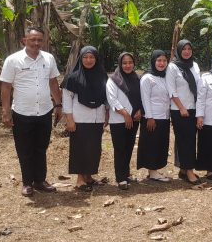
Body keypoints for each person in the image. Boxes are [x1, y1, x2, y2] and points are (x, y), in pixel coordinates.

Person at [0, 27, 62, 197]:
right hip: (22, 112)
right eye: (32, 39)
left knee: (41, 148)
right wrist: (6, 111)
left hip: (44, 111)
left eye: (39, 40)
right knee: (25, 149)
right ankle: (27, 183)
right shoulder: (13, 60)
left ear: (44, 41)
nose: (36, 43)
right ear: (24, 40)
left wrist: (58, 104)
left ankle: (40, 180)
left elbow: (53, 82)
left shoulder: (48, 59)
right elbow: (5, 87)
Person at [61, 46, 109, 192]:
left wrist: (106, 113)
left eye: (92, 57)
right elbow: (67, 99)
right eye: (85, 57)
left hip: (97, 118)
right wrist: (69, 119)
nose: (89, 60)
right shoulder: (73, 77)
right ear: (81, 59)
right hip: (79, 118)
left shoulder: (102, 76)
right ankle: (80, 180)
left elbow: (106, 96)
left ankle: (88, 177)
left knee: (94, 149)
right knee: (80, 148)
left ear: (96, 59)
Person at [106, 52, 144, 190]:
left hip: (134, 119)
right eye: (124, 63)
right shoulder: (113, 80)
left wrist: (139, 110)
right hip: (118, 120)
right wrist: (125, 114)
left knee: (128, 147)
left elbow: (141, 97)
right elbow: (112, 99)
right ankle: (120, 178)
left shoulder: (137, 78)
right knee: (120, 148)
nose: (128, 65)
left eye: (130, 63)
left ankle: (126, 173)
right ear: (120, 64)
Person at [166, 39, 201, 184]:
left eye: (189, 49)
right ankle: (189, 171)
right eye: (184, 49)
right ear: (179, 51)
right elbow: (171, 90)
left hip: (193, 108)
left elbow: (199, 87)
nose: (186, 52)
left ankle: (182, 168)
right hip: (179, 110)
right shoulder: (172, 67)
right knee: (185, 140)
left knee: (189, 140)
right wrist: (181, 108)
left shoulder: (195, 65)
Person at [137, 50, 172, 182]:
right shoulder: (147, 78)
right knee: (152, 144)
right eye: (159, 60)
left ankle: (155, 170)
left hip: (164, 116)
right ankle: (152, 172)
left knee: (161, 144)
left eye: (164, 60)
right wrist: (149, 117)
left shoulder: (165, 77)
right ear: (153, 61)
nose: (161, 63)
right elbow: (145, 99)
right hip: (153, 117)